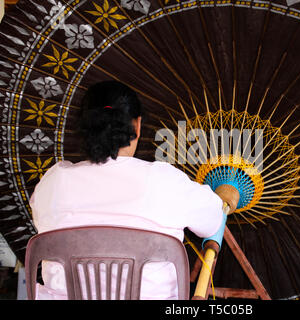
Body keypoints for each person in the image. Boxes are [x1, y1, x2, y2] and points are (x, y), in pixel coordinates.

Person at [30, 80, 234, 300]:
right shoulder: (165, 181)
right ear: (136, 126)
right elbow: (213, 220)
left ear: (86, 128)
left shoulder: (54, 182)